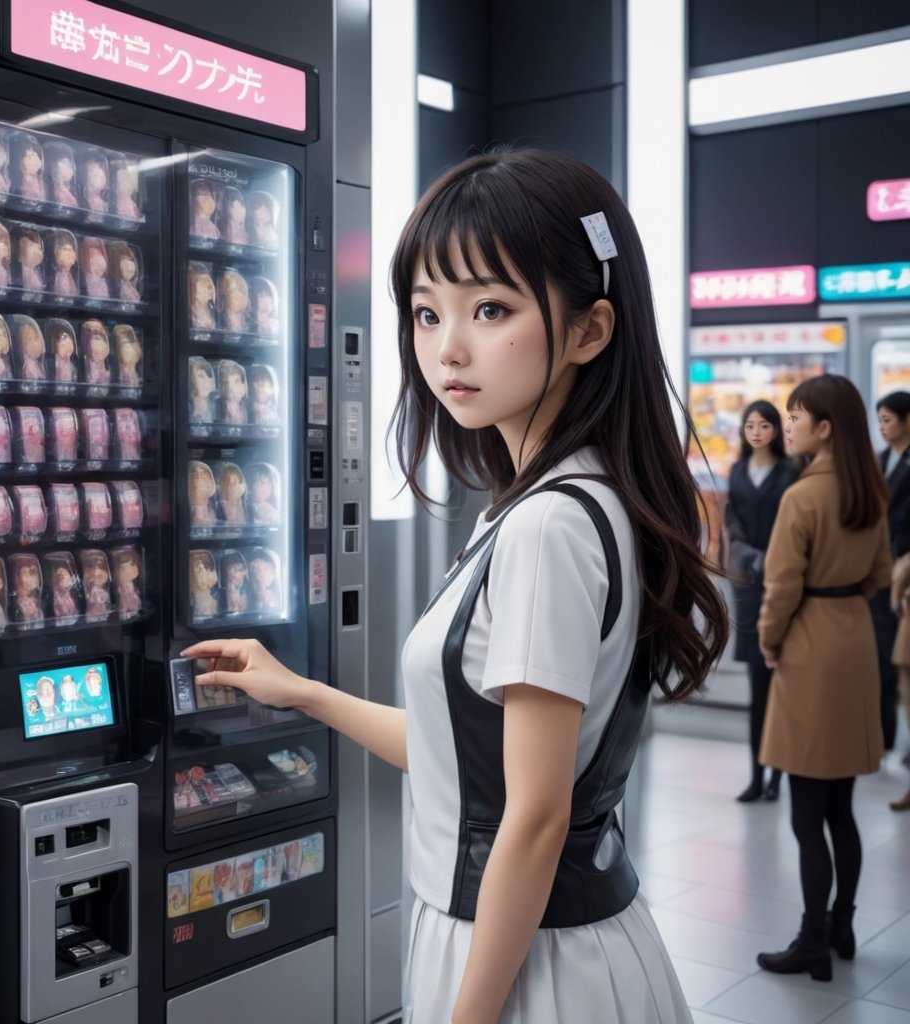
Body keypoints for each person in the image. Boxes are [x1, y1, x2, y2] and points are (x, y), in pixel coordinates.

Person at [185, 149, 724, 1023]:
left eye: (491, 309)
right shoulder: (563, 502)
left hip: (521, 962)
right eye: (427, 313)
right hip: (553, 942)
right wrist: (303, 692)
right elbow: (471, 762)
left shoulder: (548, 526)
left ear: (590, 330)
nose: (448, 348)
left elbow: (535, 817)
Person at [756, 374, 889, 981]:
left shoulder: (802, 497)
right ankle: (843, 924)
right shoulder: (871, 491)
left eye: (795, 416)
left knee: (806, 811)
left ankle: (811, 940)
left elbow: (780, 587)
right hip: (854, 636)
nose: (788, 426)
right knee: (842, 808)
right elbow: (880, 574)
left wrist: (770, 640)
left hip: (808, 641)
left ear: (825, 427)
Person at [725, 400, 799, 802]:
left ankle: (778, 776)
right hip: (749, 585)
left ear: (775, 430)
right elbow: (731, 518)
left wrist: (773, 556)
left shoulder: (790, 473)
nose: (756, 432)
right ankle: (757, 776)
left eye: (764, 425)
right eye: (749, 425)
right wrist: (749, 551)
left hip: (783, 580)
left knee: (781, 689)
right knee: (758, 687)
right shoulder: (737, 470)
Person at [876, 391, 910, 806]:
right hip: (889, 576)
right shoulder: (882, 460)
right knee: (895, 671)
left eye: (887, 419)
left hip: (902, 571)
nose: (883, 426)